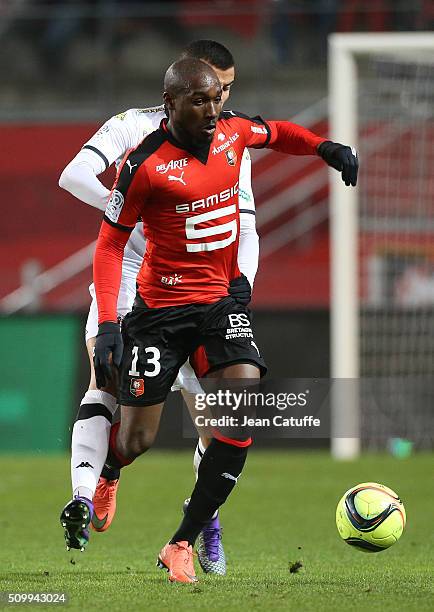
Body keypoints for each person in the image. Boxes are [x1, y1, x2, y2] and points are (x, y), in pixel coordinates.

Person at [90, 58, 358, 583]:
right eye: (200, 101)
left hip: (219, 305)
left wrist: (324, 148)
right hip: (159, 314)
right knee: (137, 437)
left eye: (216, 99)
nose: (213, 110)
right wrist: (107, 324)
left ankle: (181, 541)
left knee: (241, 412)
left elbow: (278, 132)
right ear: (170, 104)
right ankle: (110, 469)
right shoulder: (142, 165)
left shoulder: (234, 132)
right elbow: (109, 243)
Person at [58, 40, 258, 575]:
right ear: (182, 86)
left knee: (219, 413)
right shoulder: (131, 128)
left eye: (229, 91)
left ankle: (201, 524)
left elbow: (245, 224)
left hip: (204, 286)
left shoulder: (228, 141)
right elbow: (73, 175)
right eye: (213, 89)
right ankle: (90, 487)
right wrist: (133, 214)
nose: (222, 102)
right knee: (109, 380)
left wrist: (241, 286)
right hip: (132, 275)